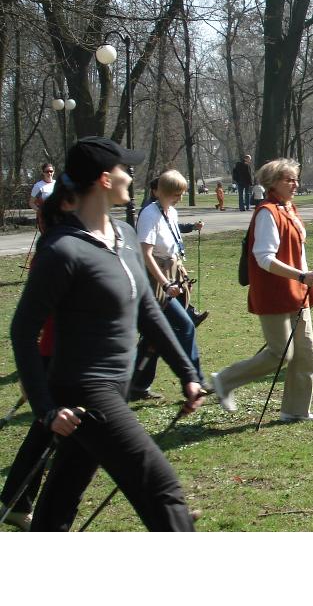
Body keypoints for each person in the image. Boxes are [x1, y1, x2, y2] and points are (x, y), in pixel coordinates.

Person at [10, 136, 205, 531]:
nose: (130, 175)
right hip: (84, 390)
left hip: (117, 384)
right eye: (123, 169)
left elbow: (148, 312)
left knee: (59, 501)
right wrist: (46, 408)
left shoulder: (124, 236)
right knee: (162, 490)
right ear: (103, 179)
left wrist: (187, 373)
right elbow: (22, 330)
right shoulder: (63, 251)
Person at [211, 159, 313, 422]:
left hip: (298, 291)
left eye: (295, 178)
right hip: (274, 292)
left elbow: (299, 252)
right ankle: (225, 380)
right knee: (280, 354)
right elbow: (263, 257)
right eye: (288, 179)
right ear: (272, 182)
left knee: (305, 352)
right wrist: (300, 275)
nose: (295, 184)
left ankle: (295, 410)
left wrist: (312, 278)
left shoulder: (289, 209)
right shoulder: (267, 212)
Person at [1, 187, 76, 531]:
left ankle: (17, 499)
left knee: (44, 435)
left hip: (60, 356)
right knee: (45, 434)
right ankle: (18, 500)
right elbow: (34, 323)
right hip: (55, 356)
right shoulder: (53, 254)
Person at [129, 169, 207, 402]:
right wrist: (164, 283)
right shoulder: (149, 214)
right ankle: (196, 380)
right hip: (155, 282)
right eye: (176, 194)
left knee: (155, 336)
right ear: (162, 192)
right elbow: (145, 254)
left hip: (172, 275)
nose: (180, 198)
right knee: (184, 326)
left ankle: (137, 384)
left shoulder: (169, 212)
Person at [29, 162, 56, 227]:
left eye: (51, 171)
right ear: (43, 172)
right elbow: (31, 203)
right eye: (47, 171)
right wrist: (41, 211)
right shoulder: (38, 186)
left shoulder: (57, 184)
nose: (49, 173)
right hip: (45, 219)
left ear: (53, 172)